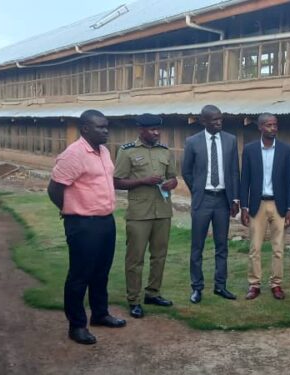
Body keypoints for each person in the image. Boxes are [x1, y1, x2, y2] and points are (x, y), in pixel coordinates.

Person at [47, 109, 126, 345]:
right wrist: (70, 209)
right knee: (80, 275)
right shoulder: (73, 154)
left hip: (105, 221)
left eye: (106, 126)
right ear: (85, 129)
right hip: (82, 224)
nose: (106, 131)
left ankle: (100, 314)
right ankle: (77, 325)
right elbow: (54, 189)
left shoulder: (103, 151)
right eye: (100, 127)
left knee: (101, 273)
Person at [113, 114, 177, 319]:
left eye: (158, 130)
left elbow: (174, 178)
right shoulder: (127, 151)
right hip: (139, 213)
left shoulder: (165, 151)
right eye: (152, 130)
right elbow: (117, 182)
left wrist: (171, 183)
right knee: (135, 259)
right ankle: (134, 300)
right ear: (141, 130)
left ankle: (153, 293)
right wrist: (144, 181)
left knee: (159, 256)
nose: (156, 133)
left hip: (163, 210)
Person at [182, 105, 240, 303]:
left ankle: (220, 286)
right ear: (203, 121)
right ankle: (197, 288)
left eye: (220, 119)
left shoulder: (230, 140)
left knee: (221, 246)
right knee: (197, 246)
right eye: (214, 120)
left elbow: (234, 171)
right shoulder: (192, 142)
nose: (218, 123)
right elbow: (186, 171)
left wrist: (235, 199)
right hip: (203, 200)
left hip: (223, 201)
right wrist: (198, 190)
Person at [240, 113, 290, 300]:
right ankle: (254, 284)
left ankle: (276, 284)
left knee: (278, 247)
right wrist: (244, 207)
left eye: (275, 125)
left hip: (279, 205)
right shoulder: (249, 150)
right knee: (255, 247)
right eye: (269, 125)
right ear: (260, 127)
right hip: (257, 204)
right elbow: (244, 179)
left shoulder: (286, 149)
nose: (273, 128)